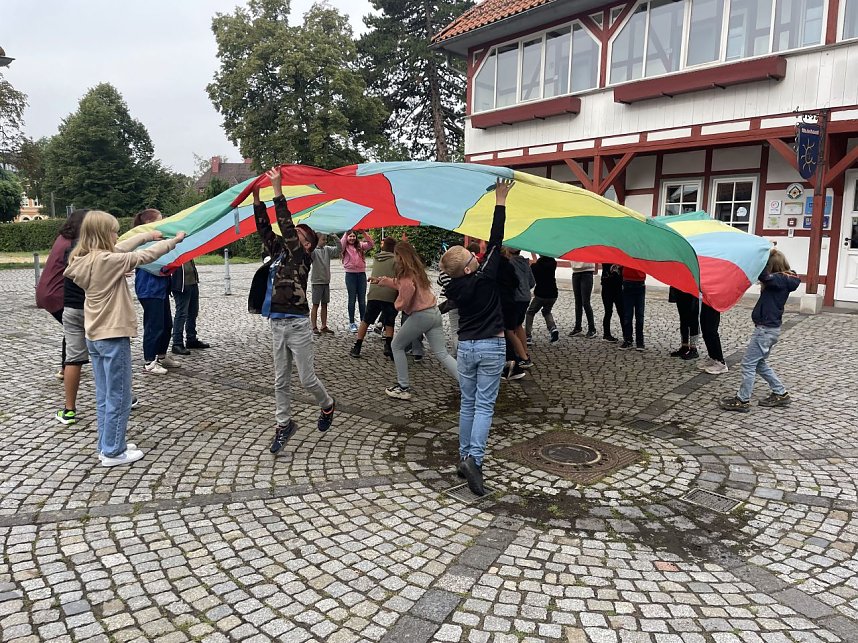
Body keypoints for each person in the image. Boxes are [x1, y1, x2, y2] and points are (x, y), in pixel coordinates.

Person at [64, 210, 184, 466]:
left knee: (104, 394)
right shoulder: (107, 260)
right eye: (114, 231)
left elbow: (123, 247)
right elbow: (143, 257)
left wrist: (146, 235)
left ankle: (107, 443)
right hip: (113, 336)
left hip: (95, 337)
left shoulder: (85, 258)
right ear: (103, 234)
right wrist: (173, 241)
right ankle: (113, 452)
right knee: (119, 395)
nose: (117, 235)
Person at [249, 168, 337, 452]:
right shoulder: (279, 253)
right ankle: (284, 424)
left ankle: (327, 405)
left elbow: (286, 228)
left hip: (298, 323)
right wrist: (256, 200)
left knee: (307, 378)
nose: (292, 234)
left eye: (299, 234)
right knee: (280, 380)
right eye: (294, 233)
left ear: (307, 244)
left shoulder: (302, 256)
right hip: (277, 322)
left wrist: (277, 192)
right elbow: (266, 229)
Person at [440, 178, 513, 496]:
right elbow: (496, 240)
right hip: (491, 346)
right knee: (484, 406)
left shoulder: (453, 285)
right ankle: (475, 462)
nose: (477, 257)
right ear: (468, 269)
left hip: (465, 347)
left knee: (468, 404)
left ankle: (464, 456)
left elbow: (460, 263)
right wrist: (500, 200)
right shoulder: (484, 279)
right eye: (472, 259)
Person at [371, 241, 458, 400]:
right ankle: (468, 384)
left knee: (396, 345)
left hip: (421, 315)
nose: (395, 259)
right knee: (442, 353)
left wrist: (398, 305)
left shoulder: (405, 274)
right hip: (434, 312)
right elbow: (400, 284)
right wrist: (382, 280)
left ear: (400, 256)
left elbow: (406, 290)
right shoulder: (417, 271)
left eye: (396, 255)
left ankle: (403, 386)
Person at [721, 249, 799, 412]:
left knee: (748, 364)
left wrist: (760, 257)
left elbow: (763, 276)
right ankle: (781, 393)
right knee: (759, 363)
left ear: (772, 266)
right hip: (770, 329)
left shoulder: (778, 280)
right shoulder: (784, 280)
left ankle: (742, 400)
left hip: (765, 330)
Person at [37, 211, 89, 379]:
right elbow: (80, 268)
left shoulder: (63, 238)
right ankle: (69, 367)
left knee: (73, 329)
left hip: (47, 291)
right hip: (57, 293)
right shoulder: (74, 244)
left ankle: (67, 367)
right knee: (78, 327)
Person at [133, 209, 181, 375]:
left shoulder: (156, 239)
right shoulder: (142, 242)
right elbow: (150, 262)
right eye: (159, 220)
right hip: (149, 289)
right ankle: (149, 361)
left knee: (166, 324)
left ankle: (161, 355)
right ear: (148, 223)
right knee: (154, 326)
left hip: (160, 289)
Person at [350, 237, 397, 359]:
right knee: (389, 322)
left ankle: (357, 346)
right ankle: (388, 346)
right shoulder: (396, 260)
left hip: (374, 293)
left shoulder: (376, 258)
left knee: (366, 321)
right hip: (389, 293)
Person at [170, 259, 210, 354]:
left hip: (192, 283)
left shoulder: (187, 248)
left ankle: (191, 339)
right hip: (181, 285)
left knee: (193, 312)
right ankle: (177, 343)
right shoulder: (173, 249)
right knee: (181, 313)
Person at [341, 229, 374, 332]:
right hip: (350, 275)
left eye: (353, 236)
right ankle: (351, 323)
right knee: (352, 300)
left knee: (362, 300)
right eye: (350, 236)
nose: (352, 238)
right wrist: (346, 233)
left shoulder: (360, 245)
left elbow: (371, 244)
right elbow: (341, 244)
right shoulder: (344, 247)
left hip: (361, 275)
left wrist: (363, 233)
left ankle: (364, 322)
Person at [507, 247, 535, 365]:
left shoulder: (511, 264)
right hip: (525, 298)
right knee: (519, 326)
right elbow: (532, 282)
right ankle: (525, 352)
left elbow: (512, 282)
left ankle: (523, 357)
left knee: (510, 329)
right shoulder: (525, 263)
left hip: (516, 299)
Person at [310, 234, 340, 335]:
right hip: (317, 282)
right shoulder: (313, 251)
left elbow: (338, 249)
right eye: (323, 239)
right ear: (317, 240)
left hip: (326, 281)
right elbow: (308, 253)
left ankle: (324, 325)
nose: (325, 241)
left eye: (326, 239)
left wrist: (335, 237)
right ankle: (314, 326)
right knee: (315, 304)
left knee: (324, 304)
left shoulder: (327, 249)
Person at [525, 254, 559, 344]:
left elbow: (532, 279)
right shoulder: (553, 263)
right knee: (546, 311)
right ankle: (553, 328)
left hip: (541, 294)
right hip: (553, 294)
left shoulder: (535, 267)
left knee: (530, 312)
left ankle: (528, 336)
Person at [668, 287, 700, 360]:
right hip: (680, 289)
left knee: (693, 319)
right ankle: (684, 346)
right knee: (683, 318)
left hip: (693, 290)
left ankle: (693, 348)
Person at [620, 266, 646, 351]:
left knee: (639, 315)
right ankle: (628, 339)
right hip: (628, 282)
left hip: (639, 282)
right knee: (628, 315)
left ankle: (639, 341)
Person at [569, 261, 597, 338]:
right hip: (575, 272)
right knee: (578, 302)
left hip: (587, 271)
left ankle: (592, 329)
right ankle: (578, 327)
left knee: (586, 302)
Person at [699, 303, 728, 374]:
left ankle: (720, 362)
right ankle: (713, 357)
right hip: (706, 299)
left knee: (711, 330)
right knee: (705, 328)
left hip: (714, 300)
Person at [600, 263, 624, 343]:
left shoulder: (620, 258)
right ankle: (606, 334)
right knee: (608, 312)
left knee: (621, 312)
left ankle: (627, 335)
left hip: (618, 288)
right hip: (607, 287)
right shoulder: (605, 258)